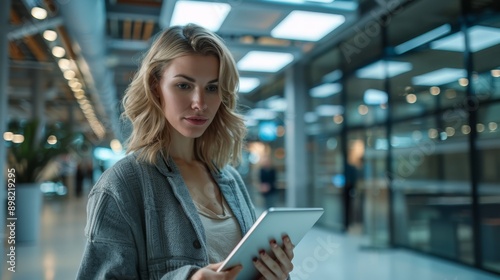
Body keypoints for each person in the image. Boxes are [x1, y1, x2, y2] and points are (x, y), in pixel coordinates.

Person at [76, 24, 295, 280]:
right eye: (183, 85)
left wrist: (273, 274)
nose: (200, 103)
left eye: (212, 88)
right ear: (156, 87)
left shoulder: (231, 179)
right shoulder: (121, 185)